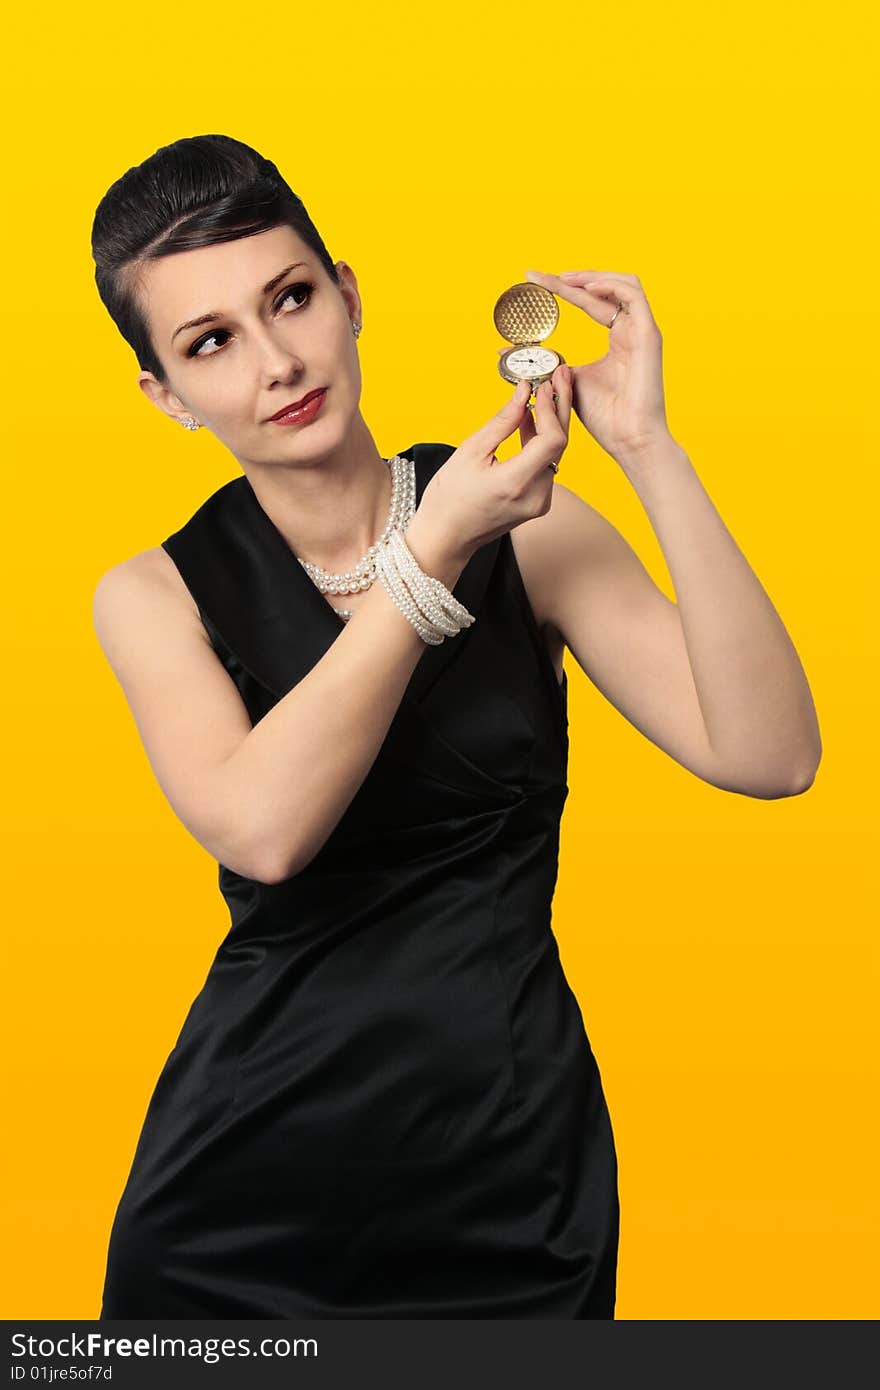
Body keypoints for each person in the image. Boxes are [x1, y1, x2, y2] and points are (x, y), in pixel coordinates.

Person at [91, 134, 821, 1320]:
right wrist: (434, 550)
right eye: (210, 341)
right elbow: (265, 834)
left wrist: (646, 448)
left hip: (512, 1179)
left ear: (349, 294)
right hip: (241, 1193)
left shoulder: (530, 525)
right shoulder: (151, 594)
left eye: (290, 298)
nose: (276, 362)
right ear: (165, 394)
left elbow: (771, 755)